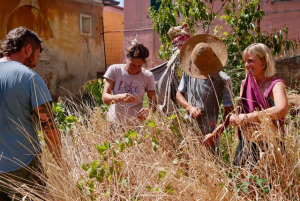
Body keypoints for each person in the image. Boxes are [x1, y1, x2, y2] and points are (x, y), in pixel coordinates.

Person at [0, 27, 61, 200]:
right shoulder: (30, 78)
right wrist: (60, 163)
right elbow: (49, 129)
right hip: (23, 166)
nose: (35, 63)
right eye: (37, 56)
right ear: (28, 49)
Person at [229, 43, 289, 167]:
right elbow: (242, 110)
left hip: (270, 146)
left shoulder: (276, 84)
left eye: (250, 61)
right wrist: (235, 117)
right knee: (242, 183)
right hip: (246, 144)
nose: (246, 65)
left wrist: (249, 117)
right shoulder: (245, 84)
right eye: (245, 61)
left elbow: (282, 109)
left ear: (264, 62)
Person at [176, 34, 234, 155]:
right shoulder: (189, 71)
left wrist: (214, 135)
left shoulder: (223, 80)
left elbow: (230, 112)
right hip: (189, 131)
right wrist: (189, 107)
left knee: (212, 168)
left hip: (210, 134)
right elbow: (179, 94)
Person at [102, 42, 157, 125]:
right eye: (132, 65)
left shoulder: (148, 76)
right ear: (127, 58)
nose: (135, 69)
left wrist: (148, 111)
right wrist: (120, 97)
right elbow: (105, 98)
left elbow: (154, 104)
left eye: (139, 66)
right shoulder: (115, 70)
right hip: (114, 123)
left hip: (135, 125)